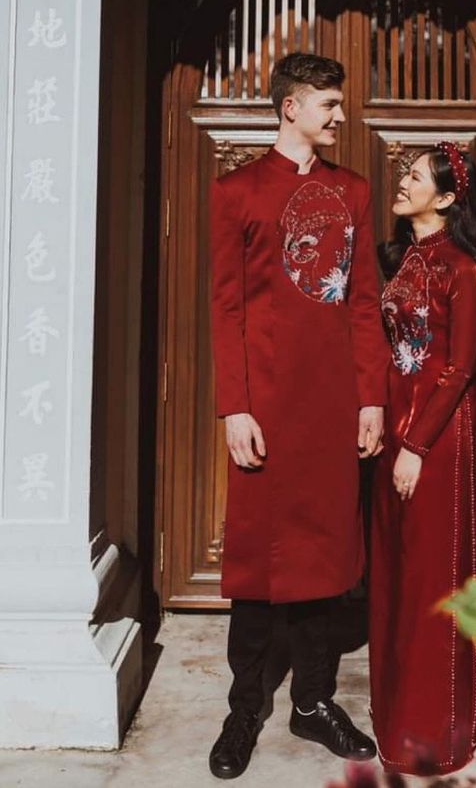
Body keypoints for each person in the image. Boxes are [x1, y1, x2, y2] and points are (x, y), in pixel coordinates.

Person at [207, 52, 389, 780]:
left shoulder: (352, 190)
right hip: (264, 410)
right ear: (290, 107)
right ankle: (243, 707)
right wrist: (234, 406)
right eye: (328, 103)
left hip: (335, 407)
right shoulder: (235, 192)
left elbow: (364, 301)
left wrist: (370, 395)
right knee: (256, 569)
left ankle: (312, 702)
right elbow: (225, 308)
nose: (339, 115)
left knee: (324, 564)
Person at [368, 143, 476, 776]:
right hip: (395, 435)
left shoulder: (462, 268)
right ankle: (395, 715)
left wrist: (416, 447)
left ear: (447, 199)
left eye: (416, 176)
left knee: (432, 579)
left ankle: (436, 732)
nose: (402, 181)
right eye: (406, 172)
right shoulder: (402, 259)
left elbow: (457, 372)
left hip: (437, 440)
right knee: (396, 574)